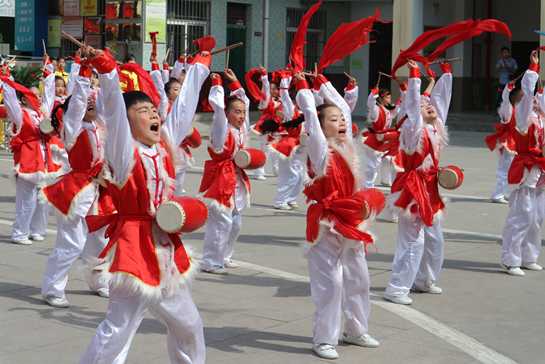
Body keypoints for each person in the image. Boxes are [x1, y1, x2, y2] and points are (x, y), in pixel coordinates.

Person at [78, 45, 208, 363]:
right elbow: (113, 110)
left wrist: (200, 68)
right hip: (134, 249)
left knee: (190, 324)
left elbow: (181, 111)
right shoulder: (124, 153)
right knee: (119, 328)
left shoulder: (162, 147)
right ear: (126, 121)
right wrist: (108, 71)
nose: (153, 114)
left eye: (154, 110)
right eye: (143, 111)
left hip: (165, 249)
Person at [295, 71, 379, 360]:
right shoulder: (318, 151)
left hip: (350, 222)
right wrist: (305, 88)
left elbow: (343, 107)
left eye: (343, 119)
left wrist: (323, 84)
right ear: (318, 126)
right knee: (331, 283)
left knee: (359, 278)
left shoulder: (347, 146)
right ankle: (324, 339)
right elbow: (314, 123)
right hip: (324, 224)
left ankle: (355, 331)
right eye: (334, 119)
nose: (342, 122)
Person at [41, 59, 111, 307]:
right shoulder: (73, 128)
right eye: (85, 103)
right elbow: (79, 102)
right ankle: (53, 289)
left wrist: (101, 67)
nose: (90, 102)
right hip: (76, 190)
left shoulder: (101, 127)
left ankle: (99, 281)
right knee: (71, 244)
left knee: (101, 240)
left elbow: (105, 100)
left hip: (100, 192)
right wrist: (82, 71)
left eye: (93, 102)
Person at [383, 59, 452, 305]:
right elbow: (412, 105)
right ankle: (397, 288)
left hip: (430, 189)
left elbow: (441, 100)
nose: (428, 105)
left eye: (429, 103)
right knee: (413, 240)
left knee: (435, 239)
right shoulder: (413, 132)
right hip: (411, 189)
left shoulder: (436, 127)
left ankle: (423, 280)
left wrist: (446, 75)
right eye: (423, 105)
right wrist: (414, 75)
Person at [2, 57, 64, 245]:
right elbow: (11, 99)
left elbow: (50, 96)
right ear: (24, 98)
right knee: (26, 202)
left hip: (44, 162)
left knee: (42, 201)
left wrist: (48, 73)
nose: (37, 97)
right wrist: (6, 79)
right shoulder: (20, 114)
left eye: (38, 95)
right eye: (33, 95)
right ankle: (20, 233)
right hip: (28, 162)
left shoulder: (43, 113)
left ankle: (37, 230)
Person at [199, 69, 251, 275]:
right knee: (221, 222)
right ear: (227, 113)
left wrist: (234, 81)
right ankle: (211, 261)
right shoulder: (222, 130)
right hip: (221, 178)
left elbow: (243, 99)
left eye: (243, 112)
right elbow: (218, 111)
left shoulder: (241, 129)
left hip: (236, 178)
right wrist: (217, 84)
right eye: (236, 112)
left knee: (235, 223)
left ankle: (224, 256)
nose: (241, 116)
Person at [500, 50, 545, 276]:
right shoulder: (523, 116)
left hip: (540, 170)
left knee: (537, 217)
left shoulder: (540, 117)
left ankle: (529, 257)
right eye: (531, 98)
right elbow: (529, 92)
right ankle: (510, 259)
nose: (536, 98)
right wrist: (533, 68)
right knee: (521, 215)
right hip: (526, 168)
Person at [362, 85, 402, 189]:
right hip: (375, 139)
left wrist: (404, 92)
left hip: (384, 138)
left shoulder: (389, 110)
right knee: (374, 163)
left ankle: (385, 180)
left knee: (387, 159)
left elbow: (398, 107)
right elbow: (370, 104)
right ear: (380, 99)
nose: (389, 99)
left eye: (390, 97)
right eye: (387, 97)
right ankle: (368, 185)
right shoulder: (376, 110)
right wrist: (373, 94)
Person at [485, 80, 517, 204]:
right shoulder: (508, 109)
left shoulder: (514, 109)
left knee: (512, 169)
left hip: (514, 142)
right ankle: (497, 194)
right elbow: (506, 100)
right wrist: (509, 88)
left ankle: (507, 193)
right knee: (505, 170)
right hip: (509, 142)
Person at [495, 46, 518, 111]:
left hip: (509, 81)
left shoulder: (513, 61)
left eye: (507, 52)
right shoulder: (500, 61)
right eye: (504, 52)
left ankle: (510, 110)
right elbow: (497, 70)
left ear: (509, 52)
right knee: (498, 96)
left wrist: (509, 68)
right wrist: (499, 67)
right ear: (502, 54)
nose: (506, 54)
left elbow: (516, 71)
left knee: (510, 96)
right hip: (502, 80)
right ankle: (497, 111)